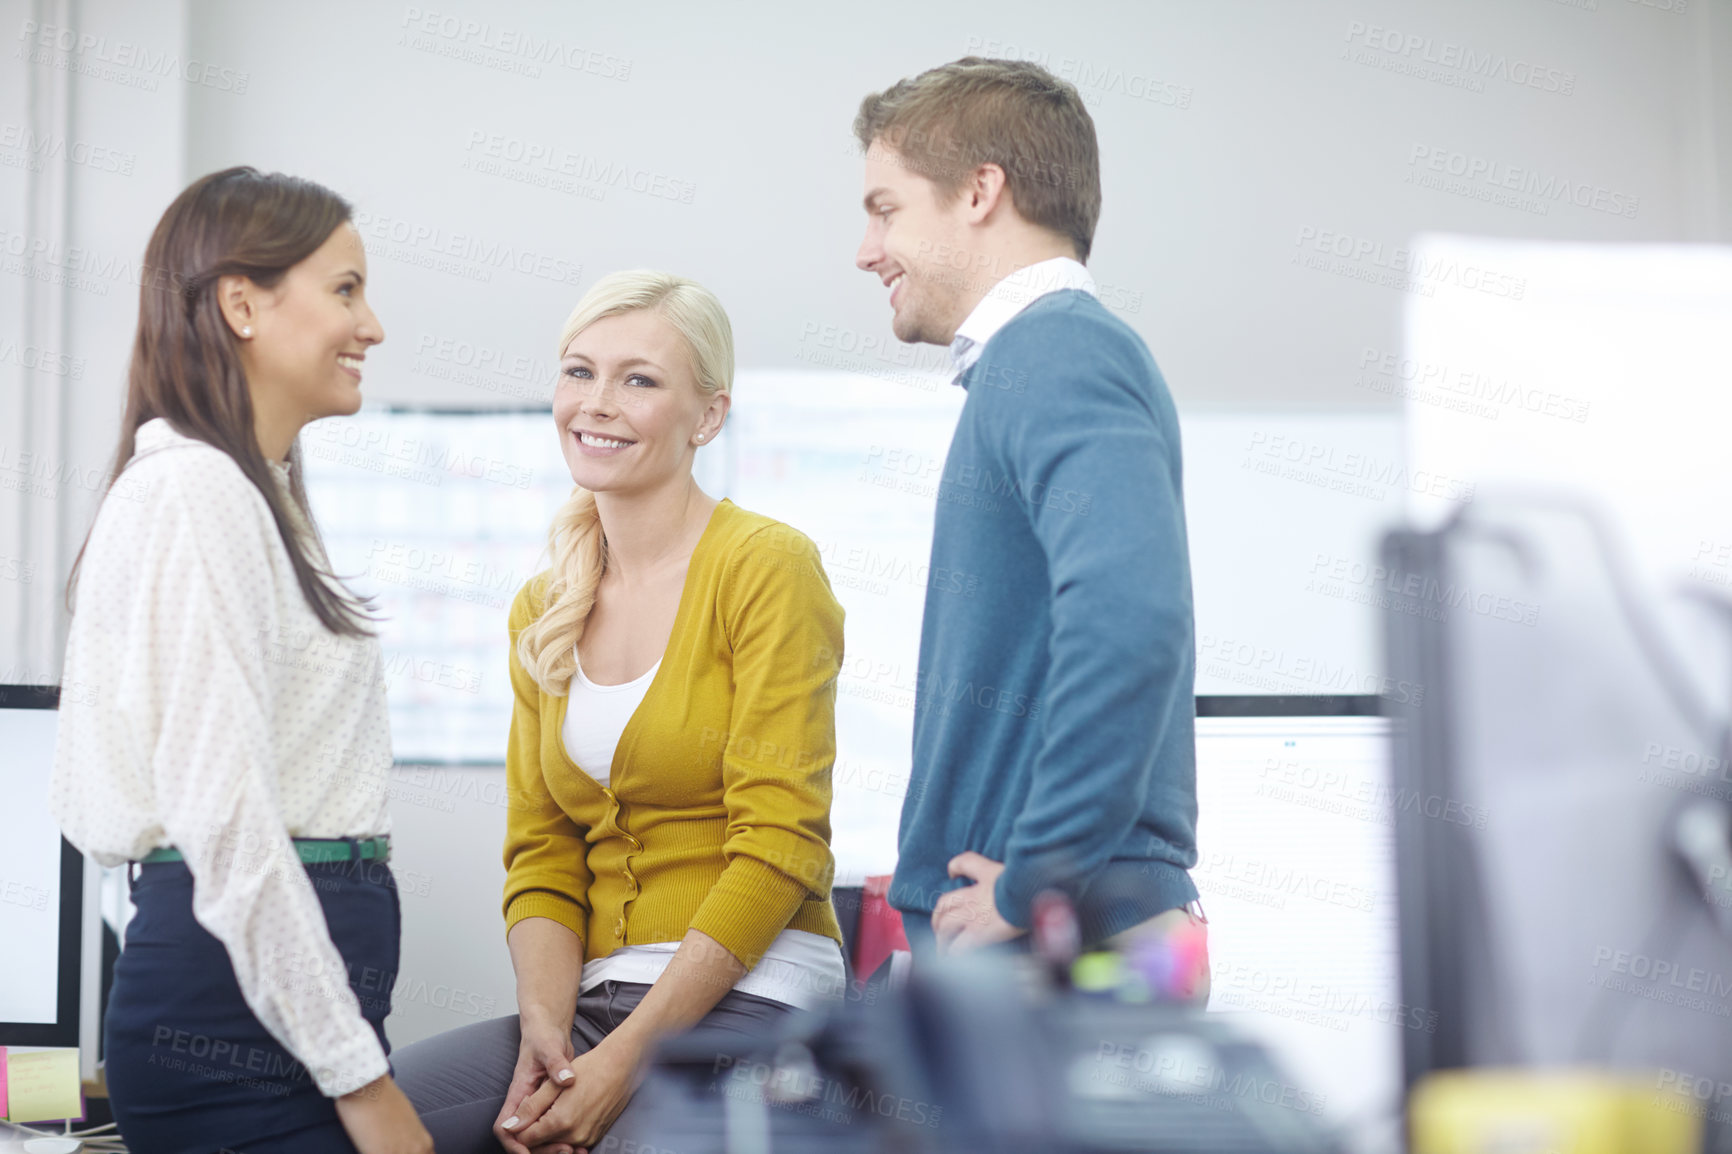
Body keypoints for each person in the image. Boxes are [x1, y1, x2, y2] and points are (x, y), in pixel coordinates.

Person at [392, 270, 848, 1154]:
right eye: (578, 372)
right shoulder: (543, 606)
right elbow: (543, 851)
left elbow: (781, 844)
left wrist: (627, 1062)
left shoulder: (766, 567)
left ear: (706, 417)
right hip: (594, 1000)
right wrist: (545, 1037)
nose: (596, 404)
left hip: (757, 998)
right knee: (362, 1125)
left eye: (639, 379)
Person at [49, 167, 434, 1152]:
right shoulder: (198, 493)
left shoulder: (250, 491)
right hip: (235, 1029)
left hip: (256, 1013)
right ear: (241, 303)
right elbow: (222, 821)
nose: (372, 324)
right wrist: (363, 1082)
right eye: (345, 288)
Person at [851, 58, 1209, 986]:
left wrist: (1035, 880)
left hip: (1060, 947)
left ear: (980, 192)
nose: (866, 250)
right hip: (1049, 941)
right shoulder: (1033, 361)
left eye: (885, 209)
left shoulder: (1057, 350)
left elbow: (1131, 619)